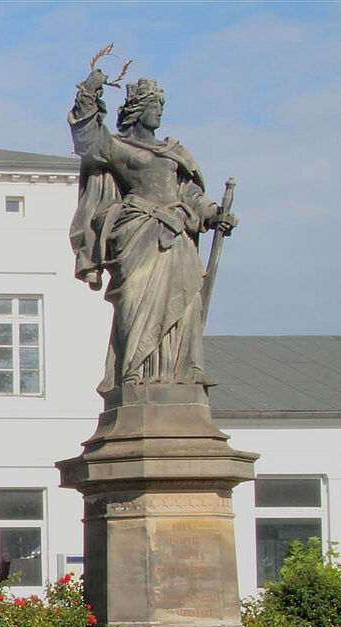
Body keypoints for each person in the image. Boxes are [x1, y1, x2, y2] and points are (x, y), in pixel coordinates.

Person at [69, 66, 237, 395]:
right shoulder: (118, 148)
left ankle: (183, 372)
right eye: (154, 105)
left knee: (187, 302)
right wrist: (89, 92)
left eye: (161, 105)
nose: (159, 110)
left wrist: (214, 213)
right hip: (138, 233)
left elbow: (188, 194)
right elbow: (86, 138)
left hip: (177, 237)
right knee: (136, 302)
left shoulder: (172, 152)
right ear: (138, 110)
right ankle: (134, 373)